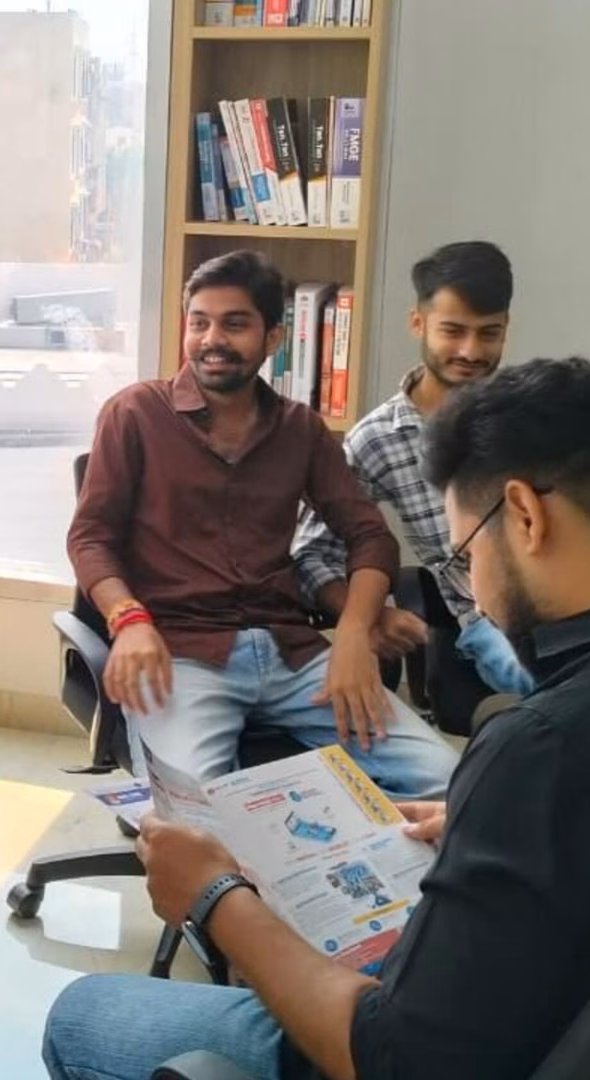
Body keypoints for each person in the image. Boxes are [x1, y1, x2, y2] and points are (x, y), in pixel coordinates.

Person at [43, 357, 590, 1080]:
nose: (476, 591)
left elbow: (390, 1060)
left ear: (524, 515)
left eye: (463, 555)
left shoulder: (544, 745)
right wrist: (481, 824)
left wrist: (217, 897)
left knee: (82, 1014)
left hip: (435, 1051)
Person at [66, 249, 457, 798]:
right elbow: (90, 536)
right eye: (199, 323)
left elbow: (368, 535)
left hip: (290, 653)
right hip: (180, 653)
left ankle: (315, 840)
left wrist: (353, 634)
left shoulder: (300, 430)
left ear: (273, 337)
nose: (212, 339)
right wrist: (129, 620)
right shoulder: (135, 414)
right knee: (197, 807)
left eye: (234, 324)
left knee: (448, 782)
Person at [295, 240, 533, 733]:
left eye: (489, 333)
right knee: (567, 690)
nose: (471, 351)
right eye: (453, 331)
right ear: (418, 323)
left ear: (506, 329)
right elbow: (309, 553)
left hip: (576, 602)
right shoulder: (378, 439)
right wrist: (367, 617)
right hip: (491, 621)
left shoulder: (535, 413)